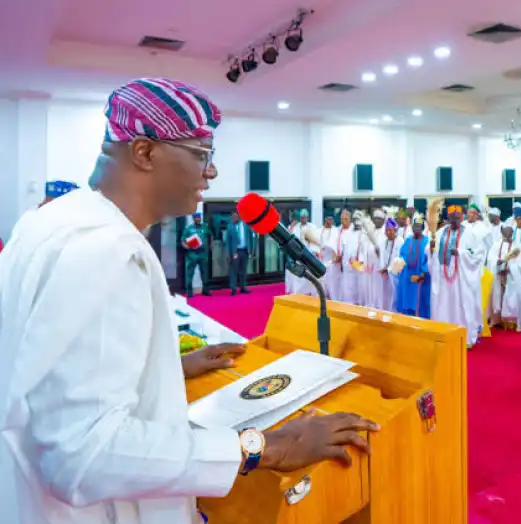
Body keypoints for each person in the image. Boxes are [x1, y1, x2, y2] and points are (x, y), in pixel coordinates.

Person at [0, 78, 378, 524]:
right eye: (202, 154)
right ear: (144, 152)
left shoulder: (52, 223)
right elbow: (83, 454)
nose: (211, 172)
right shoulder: (104, 250)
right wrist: (266, 446)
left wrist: (162, 366)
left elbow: (46, 370)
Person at [429, 205, 483, 348]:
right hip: (442, 277)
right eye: (452, 218)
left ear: (462, 217)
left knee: (462, 306)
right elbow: (431, 253)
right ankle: (443, 336)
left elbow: (477, 254)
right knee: (443, 306)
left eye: (457, 218)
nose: (454, 220)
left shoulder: (469, 234)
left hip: (461, 278)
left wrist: (461, 252)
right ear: (448, 218)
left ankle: (465, 338)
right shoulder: (440, 232)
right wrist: (431, 248)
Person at [486, 225, 521, 331]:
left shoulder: (518, 247)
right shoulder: (496, 245)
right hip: (498, 274)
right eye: (505, 233)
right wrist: (497, 262)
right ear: (502, 233)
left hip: (512, 276)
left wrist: (511, 267)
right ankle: (497, 319)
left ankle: (513, 321)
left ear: (512, 233)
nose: (507, 235)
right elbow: (490, 258)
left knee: (513, 295)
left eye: (509, 233)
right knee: (497, 294)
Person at [395, 218, 431, 318]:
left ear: (423, 228)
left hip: (420, 278)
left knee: (418, 303)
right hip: (407, 277)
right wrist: (397, 265)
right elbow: (402, 255)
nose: (417, 229)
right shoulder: (407, 240)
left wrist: (424, 272)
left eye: (419, 227)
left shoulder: (427, 242)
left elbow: (429, 259)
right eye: (415, 226)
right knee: (406, 301)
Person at [338, 210, 367, 306]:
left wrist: (359, 261)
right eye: (355, 219)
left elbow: (364, 250)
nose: (356, 221)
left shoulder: (364, 233)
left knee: (358, 293)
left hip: (357, 269)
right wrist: (343, 263)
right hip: (347, 268)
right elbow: (345, 249)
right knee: (347, 292)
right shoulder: (350, 232)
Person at [181, 212, 211, 297]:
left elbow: (211, 235)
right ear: (193, 219)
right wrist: (186, 246)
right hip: (192, 254)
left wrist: (211, 245)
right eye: (196, 218)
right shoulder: (188, 229)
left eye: (199, 217)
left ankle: (205, 290)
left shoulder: (205, 227)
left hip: (202, 254)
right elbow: (183, 240)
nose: (197, 219)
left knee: (205, 273)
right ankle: (189, 292)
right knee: (189, 274)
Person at [225, 210, 255, 295]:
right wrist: (229, 254)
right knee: (233, 271)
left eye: (235, 216)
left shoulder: (246, 225)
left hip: (245, 251)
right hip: (235, 252)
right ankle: (233, 289)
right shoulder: (230, 227)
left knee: (243, 271)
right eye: (233, 217)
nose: (234, 218)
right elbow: (228, 242)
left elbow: (251, 237)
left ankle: (243, 287)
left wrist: (251, 250)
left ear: (239, 216)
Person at [376, 218, 402, 311]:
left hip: (395, 277)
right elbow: (382, 258)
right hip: (385, 277)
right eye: (387, 230)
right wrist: (383, 268)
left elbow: (401, 261)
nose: (388, 232)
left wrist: (389, 270)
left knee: (394, 299)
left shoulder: (400, 242)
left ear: (395, 230)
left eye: (391, 230)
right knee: (385, 298)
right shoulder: (384, 242)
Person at [318, 213, 341, 299]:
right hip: (322, 261)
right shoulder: (320, 230)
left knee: (332, 286)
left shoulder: (336, 230)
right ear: (325, 219)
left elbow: (338, 244)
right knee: (322, 284)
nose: (330, 221)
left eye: (331, 219)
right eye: (328, 219)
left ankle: (333, 301)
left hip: (332, 262)